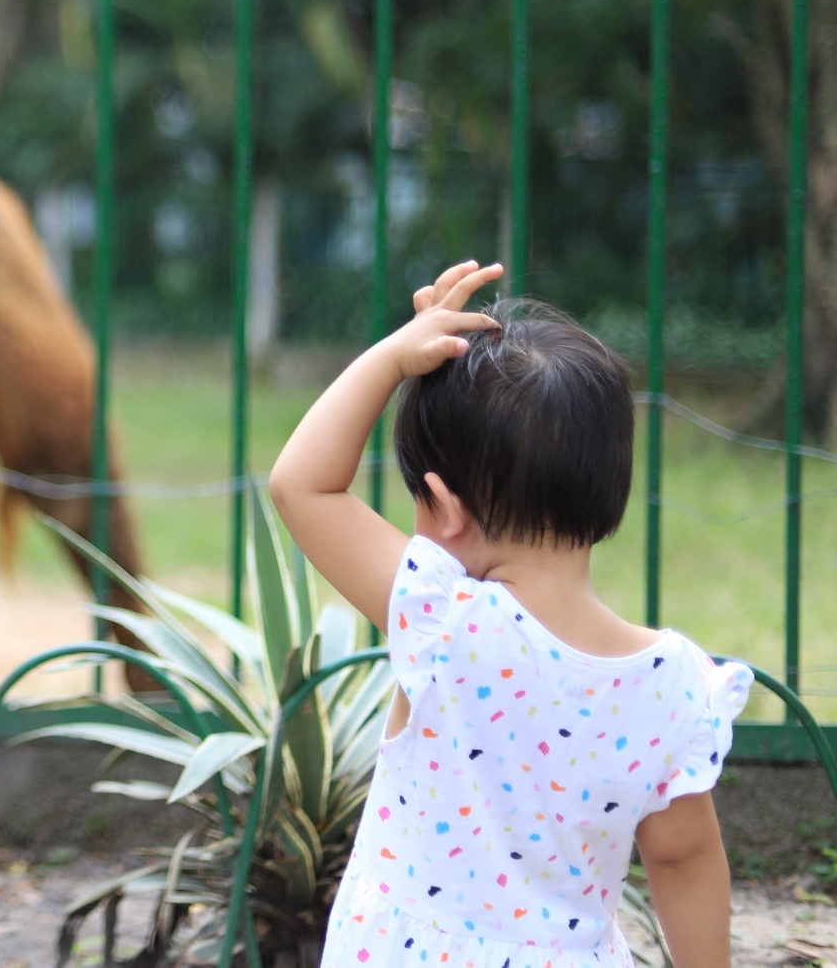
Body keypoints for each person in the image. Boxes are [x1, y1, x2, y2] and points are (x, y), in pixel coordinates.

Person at [268, 260, 748, 968]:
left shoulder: (439, 617)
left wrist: (396, 356)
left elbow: (301, 484)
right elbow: (683, 860)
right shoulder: (676, 684)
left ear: (442, 506)